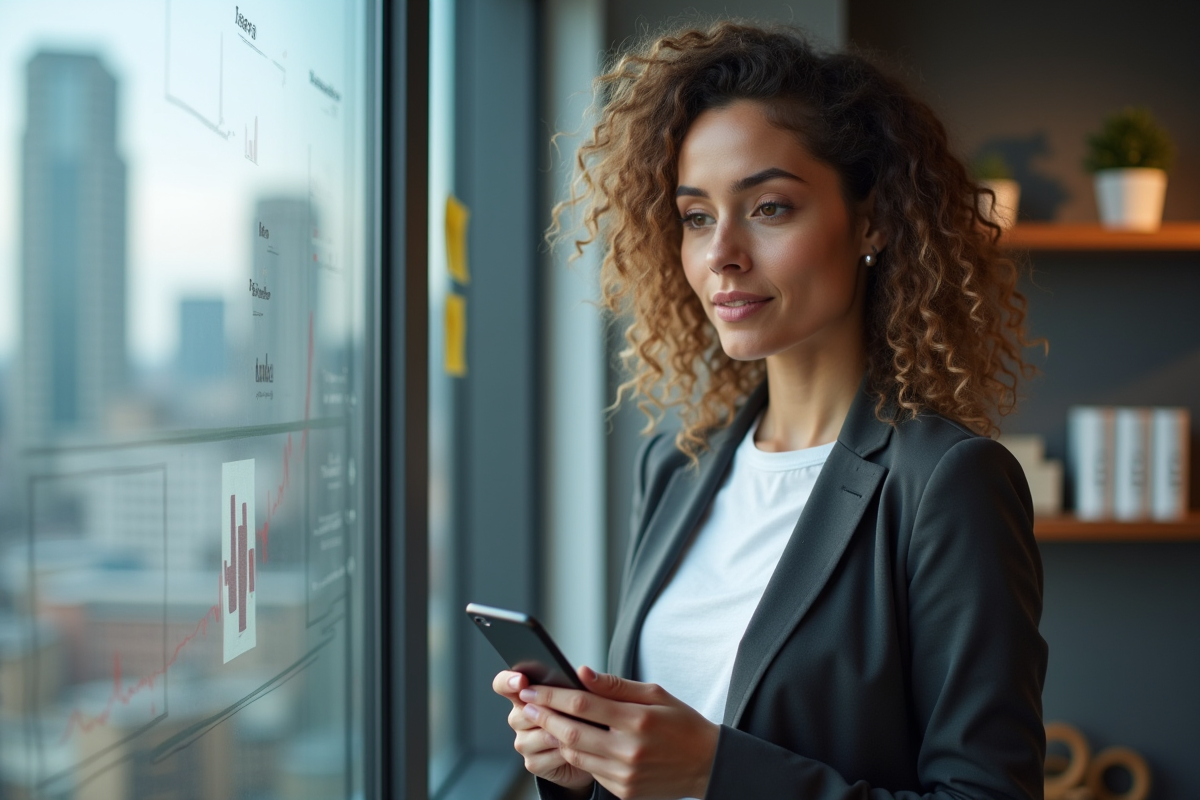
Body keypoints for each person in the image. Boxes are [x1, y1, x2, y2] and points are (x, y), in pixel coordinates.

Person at [492, 20, 1048, 800]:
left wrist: (717, 771)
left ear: (873, 220)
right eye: (694, 216)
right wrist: (585, 765)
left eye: (770, 208)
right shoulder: (677, 466)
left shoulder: (946, 483)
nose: (721, 251)